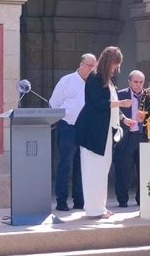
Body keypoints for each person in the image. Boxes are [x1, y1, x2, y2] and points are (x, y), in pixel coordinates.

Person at [75, 46, 132, 218]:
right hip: (92, 132)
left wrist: (123, 118)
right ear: (108, 62)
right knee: (93, 169)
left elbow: (112, 104)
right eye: (114, 65)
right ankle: (93, 209)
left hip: (105, 130)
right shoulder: (94, 77)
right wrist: (120, 104)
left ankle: (100, 206)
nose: (115, 69)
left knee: (103, 168)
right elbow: (96, 103)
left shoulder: (109, 79)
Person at [49, 53, 97, 211]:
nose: (92, 68)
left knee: (81, 165)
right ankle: (61, 201)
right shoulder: (67, 80)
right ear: (81, 64)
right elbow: (54, 103)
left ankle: (79, 200)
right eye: (90, 65)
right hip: (68, 126)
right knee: (65, 164)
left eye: (94, 66)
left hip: (86, 128)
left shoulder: (94, 82)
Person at [113, 70, 145, 208]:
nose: (138, 85)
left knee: (143, 170)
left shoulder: (148, 96)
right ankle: (122, 200)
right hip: (126, 137)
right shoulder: (121, 95)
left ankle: (142, 200)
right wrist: (124, 119)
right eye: (135, 82)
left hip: (142, 137)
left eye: (141, 82)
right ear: (129, 82)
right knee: (123, 170)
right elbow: (114, 110)